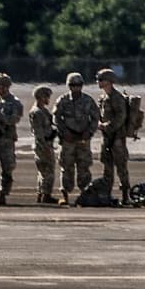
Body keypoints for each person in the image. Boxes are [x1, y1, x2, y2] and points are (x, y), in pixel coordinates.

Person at [53, 72, 99, 205]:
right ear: (69, 86)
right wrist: (64, 131)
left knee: (84, 167)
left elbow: (95, 118)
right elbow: (56, 117)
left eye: (78, 85)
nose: (76, 88)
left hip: (83, 138)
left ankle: (85, 195)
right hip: (68, 139)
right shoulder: (63, 100)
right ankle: (65, 195)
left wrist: (89, 132)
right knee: (66, 167)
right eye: (73, 85)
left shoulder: (88, 100)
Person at [96, 68, 131, 202]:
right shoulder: (103, 98)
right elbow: (101, 115)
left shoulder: (117, 98)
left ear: (109, 81)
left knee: (121, 167)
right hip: (106, 137)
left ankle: (125, 196)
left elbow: (121, 117)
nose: (98, 82)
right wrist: (100, 123)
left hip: (117, 138)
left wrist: (108, 126)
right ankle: (107, 194)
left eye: (101, 80)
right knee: (107, 167)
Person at [0, 73, 23, 205]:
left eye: (4, 86)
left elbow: (14, 119)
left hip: (6, 139)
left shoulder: (14, 103)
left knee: (7, 168)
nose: (1, 89)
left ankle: (3, 193)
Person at [28, 85, 57, 204]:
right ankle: (46, 195)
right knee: (47, 170)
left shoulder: (43, 111)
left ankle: (42, 193)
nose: (48, 99)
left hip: (47, 143)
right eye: (46, 96)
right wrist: (44, 146)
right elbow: (38, 132)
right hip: (43, 145)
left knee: (44, 171)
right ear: (40, 97)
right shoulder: (37, 112)